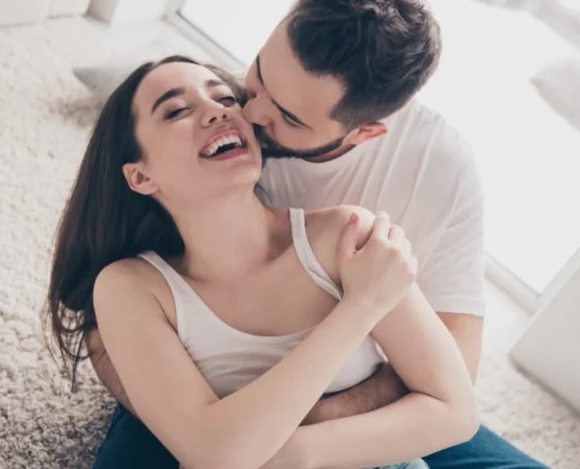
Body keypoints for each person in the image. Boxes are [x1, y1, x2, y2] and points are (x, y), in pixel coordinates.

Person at [85, 0, 548, 469]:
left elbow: (453, 381)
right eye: (256, 76)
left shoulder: (419, 184)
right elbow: (105, 322)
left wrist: (296, 440)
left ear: (364, 133)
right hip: (196, 385)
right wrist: (197, 424)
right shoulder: (238, 107)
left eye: (288, 117)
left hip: (356, 392)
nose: (249, 113)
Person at [46, 55, 481, 469]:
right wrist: (361, 307)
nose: (217, 111)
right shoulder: (132, 286)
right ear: (141, 176)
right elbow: (211, 453)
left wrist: (291, 453)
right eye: (176, 110)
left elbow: (456, 410)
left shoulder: (345, 235)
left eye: (225, 98)